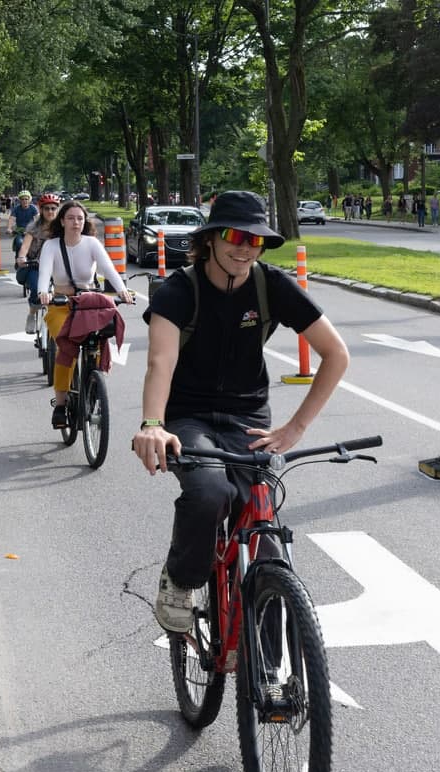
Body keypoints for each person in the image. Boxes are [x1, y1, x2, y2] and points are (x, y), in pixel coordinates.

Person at [130, 191, 349, 633]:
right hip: (188, 417)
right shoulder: (179, 290)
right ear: (211, 238)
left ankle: (275, 690)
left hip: (248, 419)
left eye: (257, 240)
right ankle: (182, 578)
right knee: (211, 493)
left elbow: (336, 354)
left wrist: (296, 427)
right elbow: (161, 363)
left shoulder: (271, 286)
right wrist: (153, 425)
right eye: (234, 236)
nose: (245, 247)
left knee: (267, 546)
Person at [32, 200, 135, 428]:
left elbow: (109, 268)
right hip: (61, 304)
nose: (76, 222)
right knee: (65, 347)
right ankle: (60, 405)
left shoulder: (91, 244)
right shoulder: (51, 246)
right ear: (62, 221)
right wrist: (43, 292)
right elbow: (44, 272)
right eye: (70, 218)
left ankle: (93, 379)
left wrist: (122, 290)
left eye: (80, 218)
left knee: (101, 336)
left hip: (88, 303)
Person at [15, 192, 62, 332]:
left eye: (53, 208)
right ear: (41, 210)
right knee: (36, 291)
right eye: (46, 208)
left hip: (59, 266)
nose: (50, 211)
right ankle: (32, 314)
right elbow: (25, 246)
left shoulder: (63, 226)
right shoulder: (34, 227)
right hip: (37, 265)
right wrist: (22, 257)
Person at [8, 191, 39, 256]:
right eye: (22, 199)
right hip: (20, 231)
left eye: (26, 199)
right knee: (19, 243)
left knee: (37, 245)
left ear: (29, 200)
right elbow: (12, 218)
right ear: (20, 200)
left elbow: (37, 218)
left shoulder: (33, 208)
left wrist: (39, 227)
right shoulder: (16, 209)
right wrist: (9, 228)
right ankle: (18, 259)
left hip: (31, 231)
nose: (24, 201)